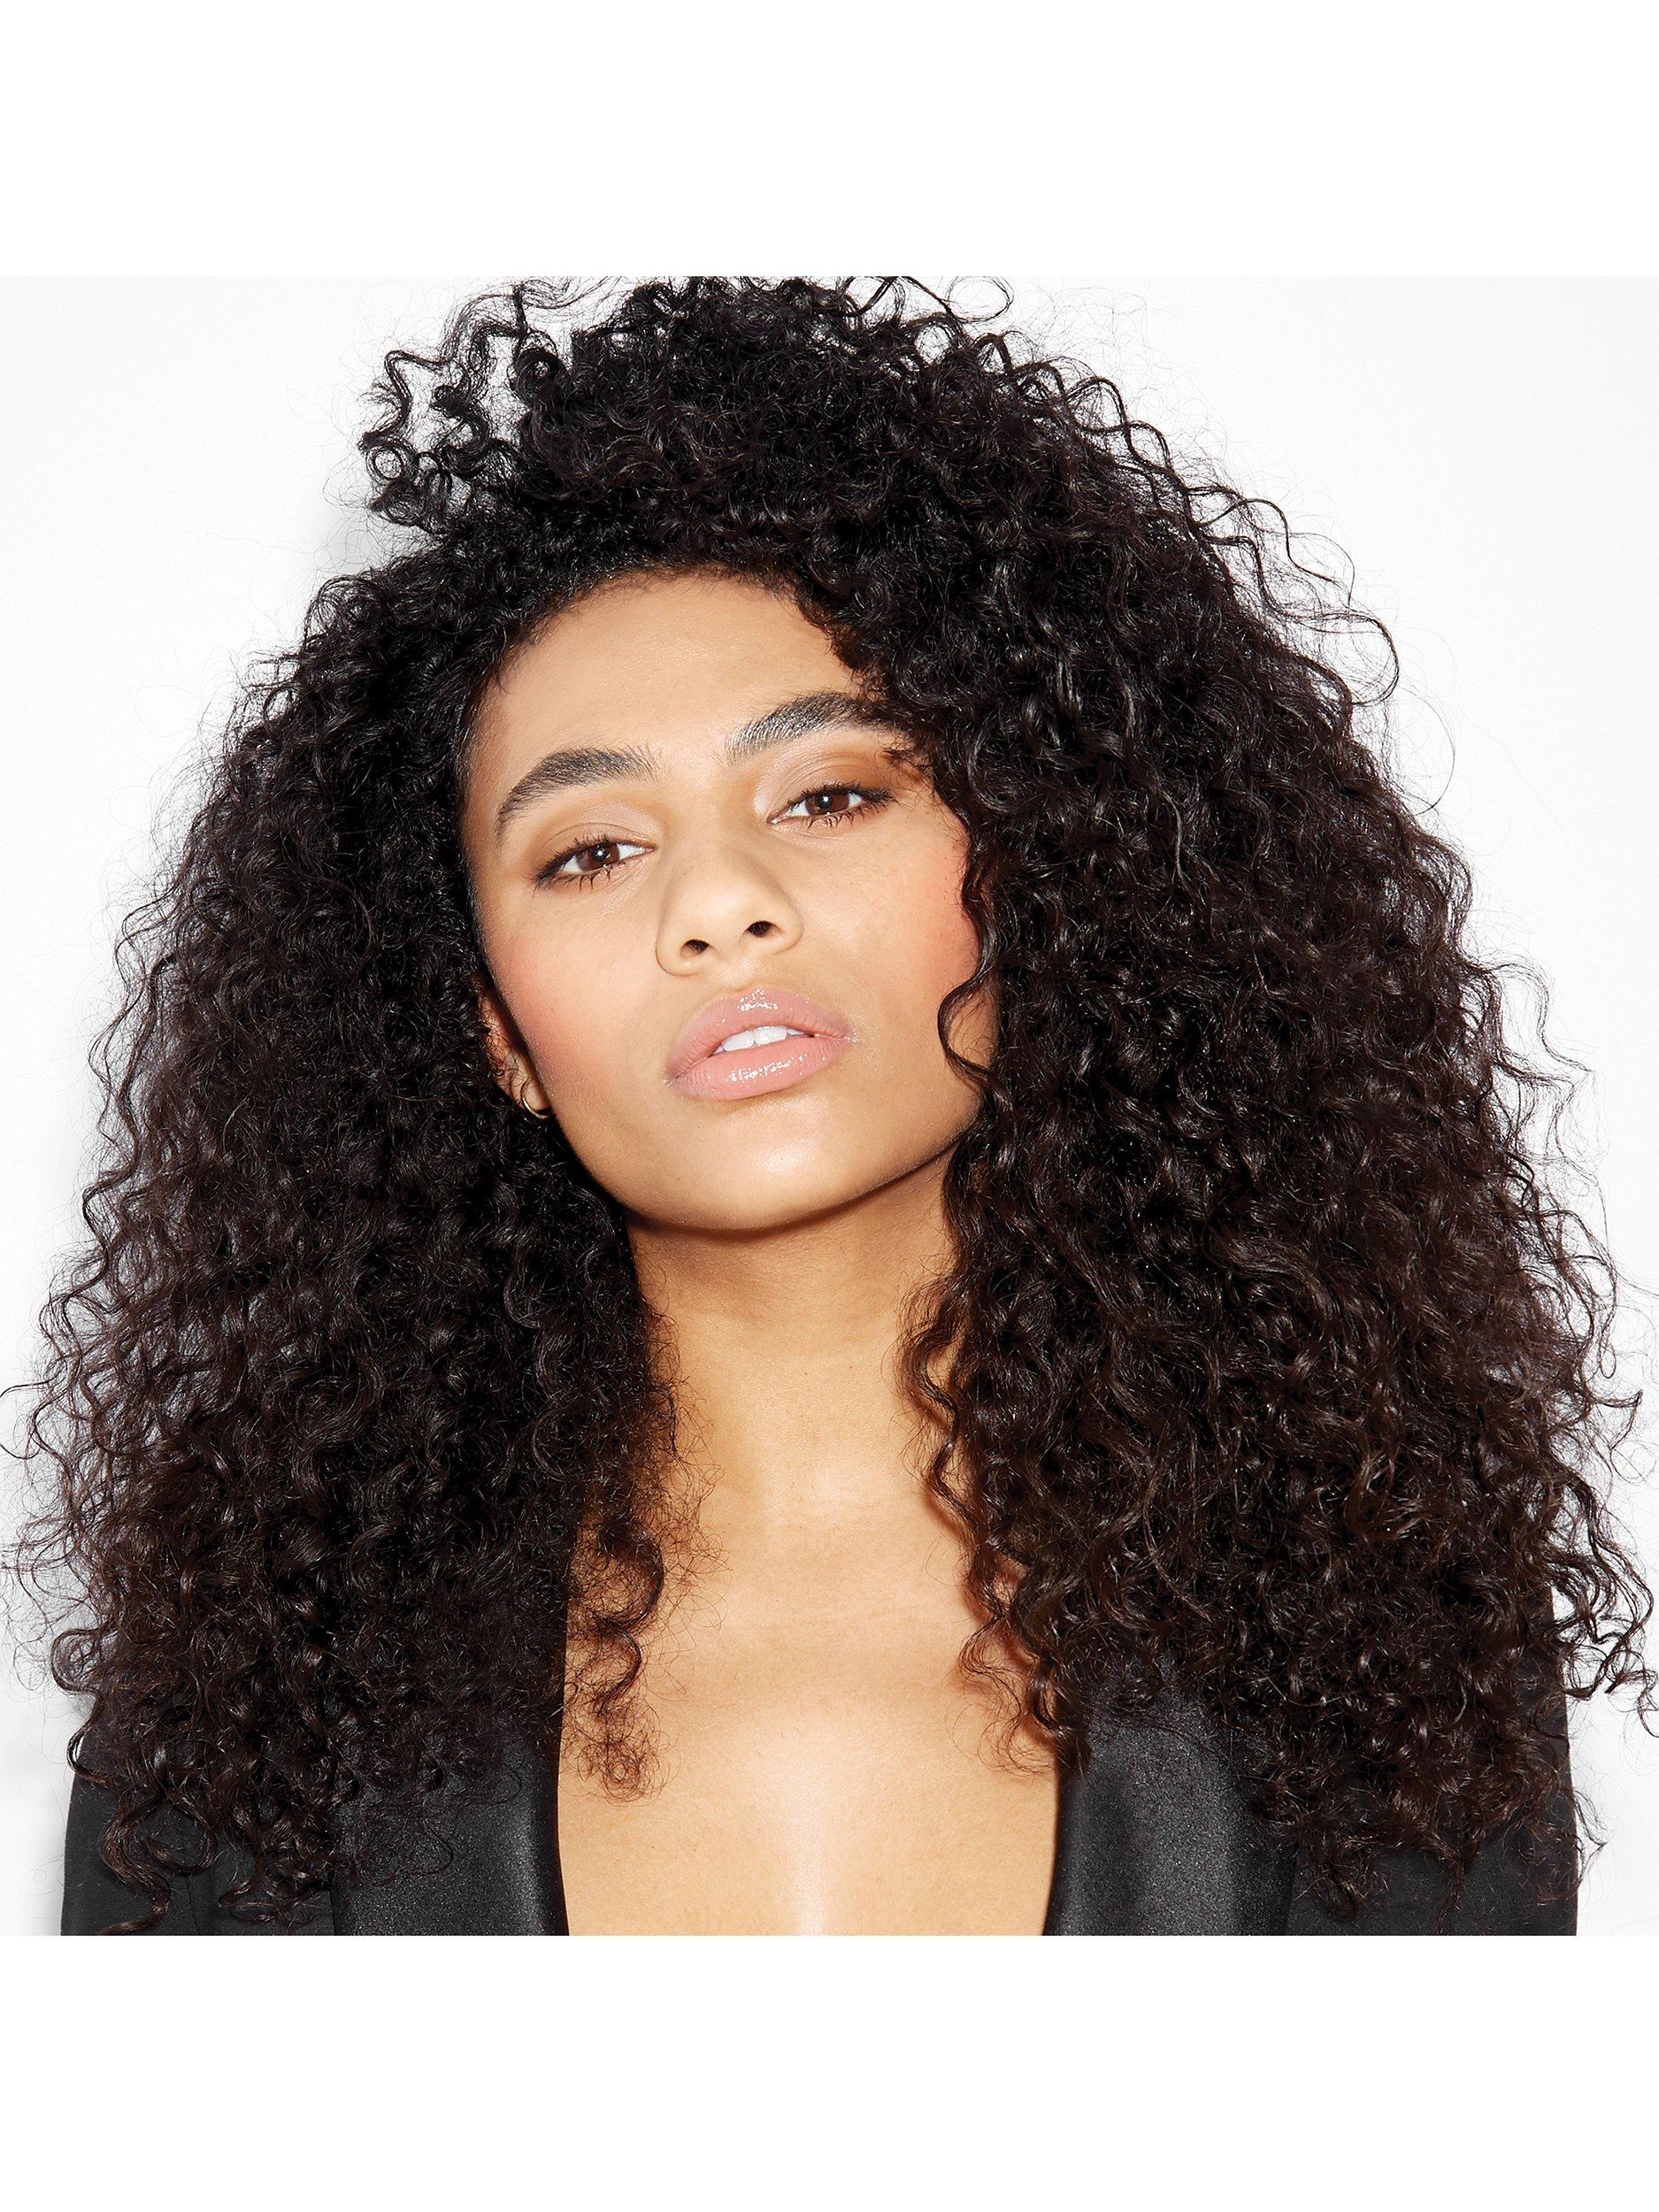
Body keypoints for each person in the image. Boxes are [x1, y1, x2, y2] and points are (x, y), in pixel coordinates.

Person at [12, 276, 1652, 1934]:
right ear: (494, 1027)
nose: (720, 906)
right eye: (592, 850)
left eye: (830, 795)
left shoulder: (1375, 1643)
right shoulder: (250, 1723)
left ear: (1037, 873)